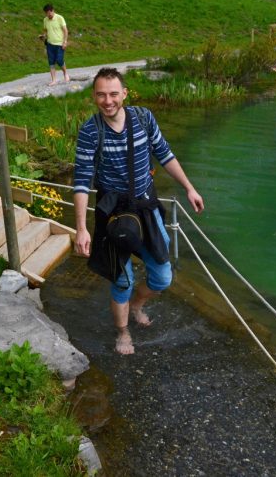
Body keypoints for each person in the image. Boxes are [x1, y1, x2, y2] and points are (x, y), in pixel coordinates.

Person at [73, 67, 205, 355]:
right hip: (113, 215)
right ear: (94, 96)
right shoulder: (90, 131)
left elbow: (165, 154)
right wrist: (81, 228)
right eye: (101, 95)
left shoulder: (144, 118)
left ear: (124, 93)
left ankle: (137, 304)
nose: (108, 101)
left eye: (113, 94)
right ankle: (123, 332)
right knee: (123, 280)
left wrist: (189, 188)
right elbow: (82, 181)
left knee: (162, 277)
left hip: (146, 208)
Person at [41, 3, 69, 85]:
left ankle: (65, 73)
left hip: (59, 44)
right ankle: (54, 80)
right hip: (50, 44)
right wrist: (43, 35)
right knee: (51, 62)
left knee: (59, 60)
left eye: (50, 13)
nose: (48, 15)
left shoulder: (60, 18)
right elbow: (45, 30)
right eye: (47, 13)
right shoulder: (45, 20)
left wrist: (65, 42)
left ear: (53, 11)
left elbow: (65, 30)